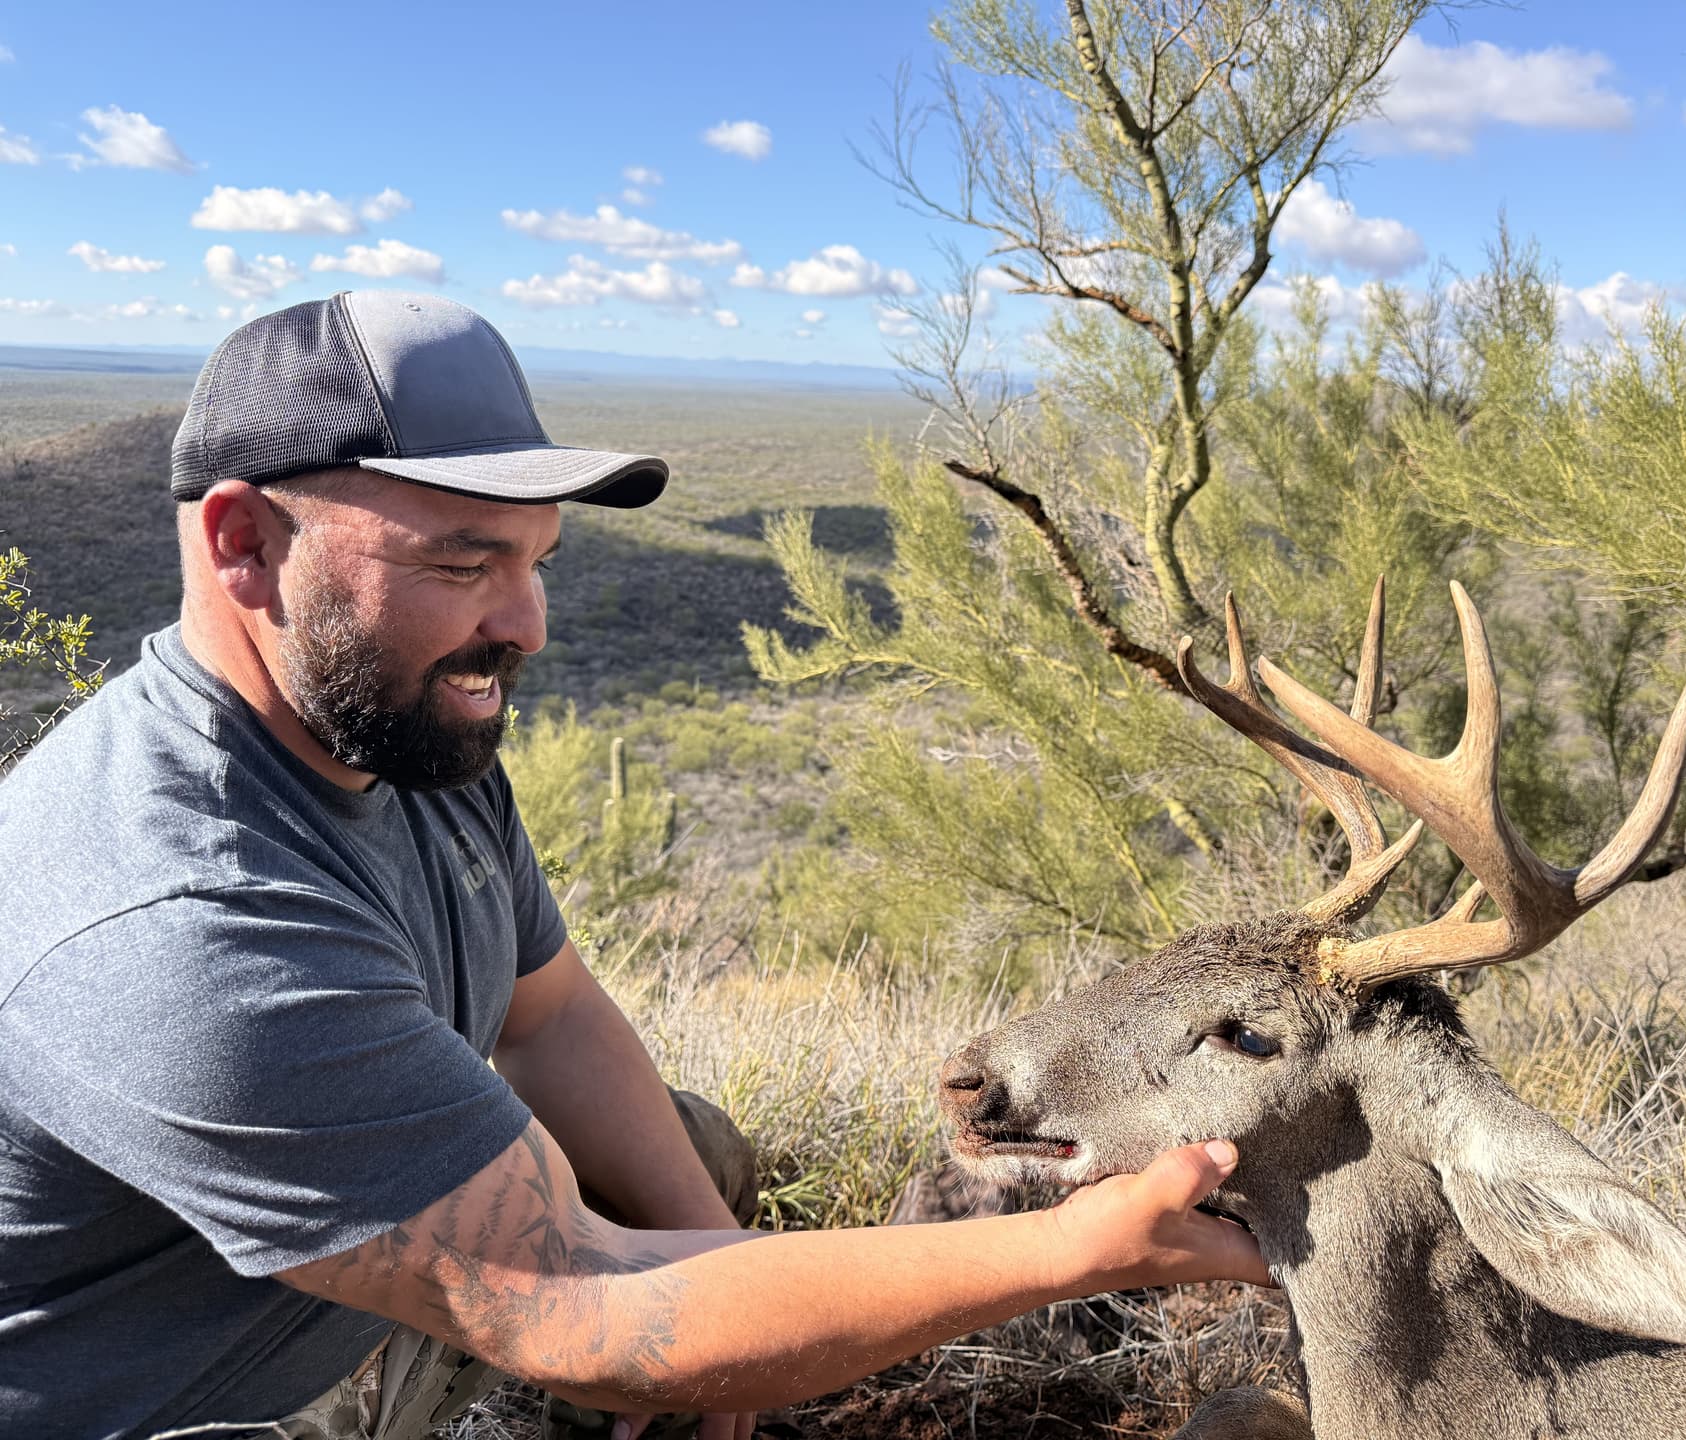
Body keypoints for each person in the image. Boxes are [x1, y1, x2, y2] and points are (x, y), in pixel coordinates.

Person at [0, 291, 1268, 1440]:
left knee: (692, 1156)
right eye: (462, 563)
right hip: (193, 1406)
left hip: (311, 1296)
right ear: (242, 546)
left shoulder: (400, 730)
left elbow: (548, 1018)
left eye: (537, 559)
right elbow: (591, 1319)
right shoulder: (178, 917)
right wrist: (1080, 1249)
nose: (526, 624)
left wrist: (713, 1270)